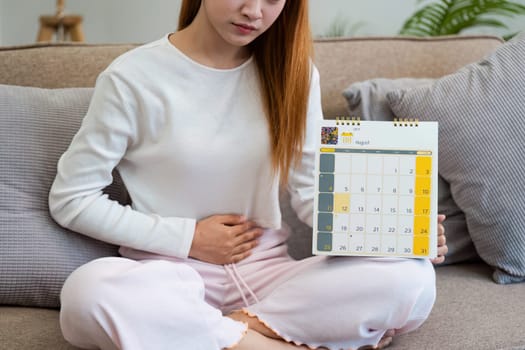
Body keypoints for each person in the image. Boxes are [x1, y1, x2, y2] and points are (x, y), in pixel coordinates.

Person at [49, 1, 448, 349]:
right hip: (167, 277)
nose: (254, 11)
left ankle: (228, 332)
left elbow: (312, 194)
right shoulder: (132, 78)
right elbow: (71, 198)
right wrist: (189, 238)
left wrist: (397, 235)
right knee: (89, 293)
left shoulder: (296, 74)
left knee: (410, 278)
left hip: (269, 279)